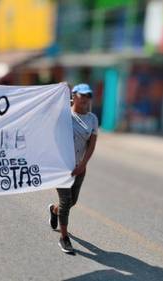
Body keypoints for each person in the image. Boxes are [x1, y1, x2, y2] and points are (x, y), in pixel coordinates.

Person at [49, 83, 98, 254]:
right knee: (65, 201)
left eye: (88, 95)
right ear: (74, 95)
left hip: (79, 168)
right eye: (82, 95)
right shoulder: (63, 115)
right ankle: (64, 238)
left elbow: (91, 145)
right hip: (62, 167)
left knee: (72, 202)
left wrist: (83, 165)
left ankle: (54, 211)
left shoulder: (92, 119)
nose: (85, 98)